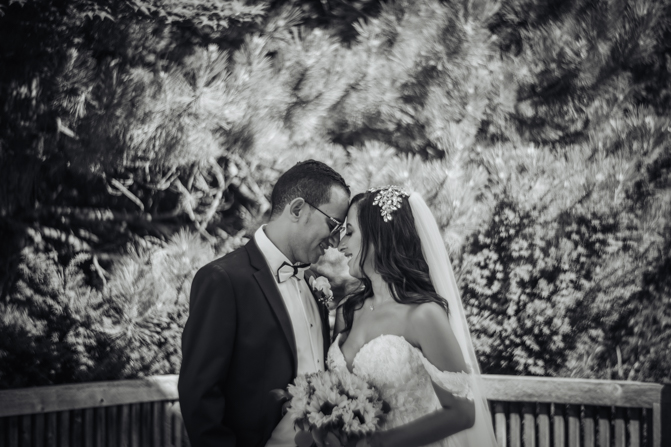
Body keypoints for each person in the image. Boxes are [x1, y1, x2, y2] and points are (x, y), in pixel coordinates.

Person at [178, 160, 350, 447]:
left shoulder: (313, 283)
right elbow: (200, 394)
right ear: (297, 209)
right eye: (333, 225)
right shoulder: (223, 280)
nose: (335, 241)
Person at [330, 186, 497, 447]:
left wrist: (376, 444)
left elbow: (462, 414)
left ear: (379, 237)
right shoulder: (347, 311)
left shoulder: (424, 315)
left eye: (350, 232)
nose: (341, 245)